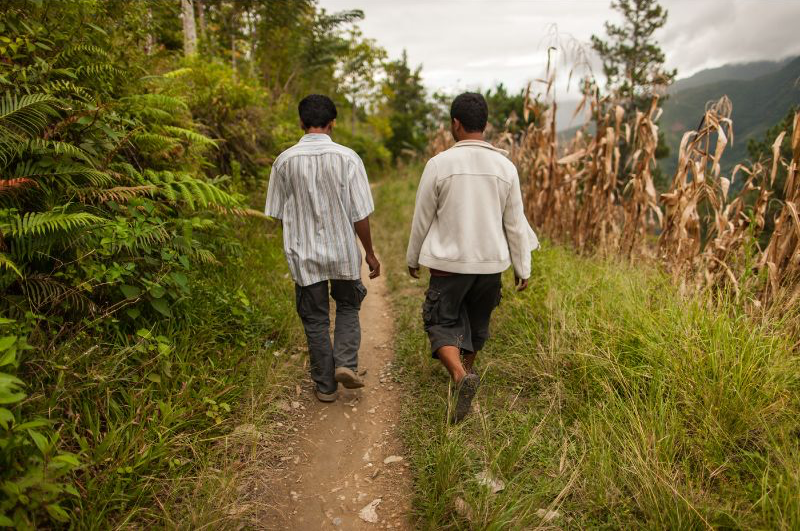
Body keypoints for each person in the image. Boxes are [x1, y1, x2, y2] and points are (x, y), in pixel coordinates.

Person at [406, 92, 538, 423]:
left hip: (449, 265)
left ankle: (461, 378)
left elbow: (422, 217)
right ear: (485, 124)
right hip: (491, 265)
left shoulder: (439, 165)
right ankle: (465, 374)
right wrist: (523, 267)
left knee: (440, 320)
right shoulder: (505, 167)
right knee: (477, 325)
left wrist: (413, 258)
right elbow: (515, 224)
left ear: (456, 123)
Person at [265, 94, 380, 403]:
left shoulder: (284, 161)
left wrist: (295, 242)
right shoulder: (348, 158)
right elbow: (360, 214)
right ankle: (345, 363)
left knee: (315, 319)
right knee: (347, 305)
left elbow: (276, 213)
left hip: (304, 257)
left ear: (301, 123)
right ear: (332, 124)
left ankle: (325, 386)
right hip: (342, 252)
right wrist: (369, 253)